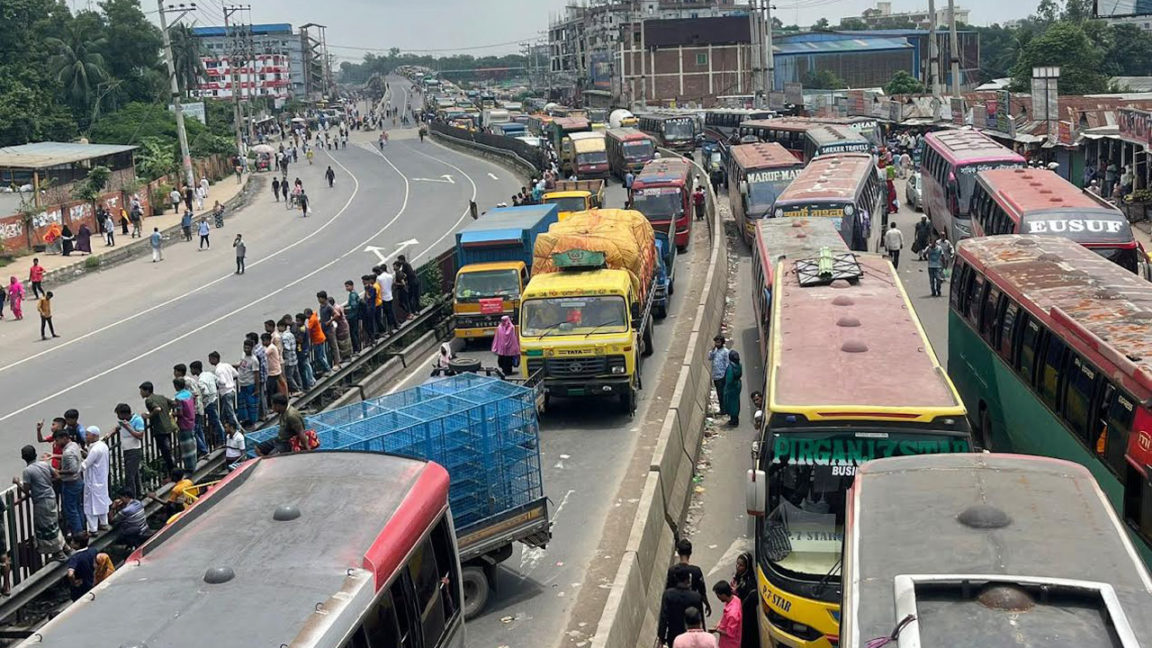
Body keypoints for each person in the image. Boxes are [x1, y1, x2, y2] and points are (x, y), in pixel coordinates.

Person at [14, 445, 68, 560]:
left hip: (41, 501)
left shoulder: (28, 471)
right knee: (53, 523)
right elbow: (57, 476)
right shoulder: (44, 464)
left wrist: (18, 483)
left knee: (47, 526)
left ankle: (58, 552)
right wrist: (47, 482)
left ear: (24, 457)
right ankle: (65, 546)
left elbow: (26, 490)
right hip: (51, 497)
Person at [659, 566, 704, 647]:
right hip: (692, 636)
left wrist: (661, 638)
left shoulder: (668, 595)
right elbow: (700, 617)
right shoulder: (696, 596)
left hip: (673, 635)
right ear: (688, 579)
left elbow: (663, 617)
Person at [665, 539, 711, 616]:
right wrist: (707, 605)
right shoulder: (696, 571)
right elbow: (702, 592)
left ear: (678, 552)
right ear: (690, 552)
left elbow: (668, 591)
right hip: (693, 610)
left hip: (676, 609)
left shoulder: (672, 571)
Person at [139, 381, 176, 474]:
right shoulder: (161, 397)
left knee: (165, 452)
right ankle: (173, 469)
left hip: (160, 429)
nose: (140, 393)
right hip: (168, 426)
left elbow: (157, 409)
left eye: (142, 391)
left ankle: (172, 472)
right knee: (169, 450)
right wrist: (167, 412)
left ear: (147, 391)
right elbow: (173, 403)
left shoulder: (149, 400)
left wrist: (149, 416)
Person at [80, 427, 110, 534]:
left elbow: (85, 464)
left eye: (88, 435)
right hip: (101, 479)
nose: (86, 437)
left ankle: (93, 529)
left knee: (90, 506)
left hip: (93, 480)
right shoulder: (103, 446)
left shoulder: (95, 449)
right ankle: (104, 523)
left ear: (94, 435)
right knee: (102, 501)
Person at [57, 428, 84, 537]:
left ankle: (78, 533)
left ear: (64, 438)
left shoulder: (68, 452)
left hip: (71, 483)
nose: (57, 443)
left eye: (58, 440)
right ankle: (82, 529)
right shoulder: (74, 445)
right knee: (78, 507)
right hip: (78, 481)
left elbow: (72, 469)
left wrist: (58, 472)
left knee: (71, 510)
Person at [114, 403, 145, 498]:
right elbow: (118, 428)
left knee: (129, 475)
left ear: (124, 414)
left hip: (134, 450)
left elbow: (140, 435)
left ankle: (132, 497)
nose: (118, 417)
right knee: (134, 474)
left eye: (119, 415)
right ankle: (139, 493)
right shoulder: (123, 422)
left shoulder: (137, 420)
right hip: (127, 449)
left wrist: (128, 427)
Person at [732, 553, 757, 648]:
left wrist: (736, 593)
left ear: (747, 566)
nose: (738, 567)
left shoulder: (750, 582)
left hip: (747, 616)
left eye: (741, 565)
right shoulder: (739, 577)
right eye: (737, 564)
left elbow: (753, 598)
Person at [173, 378, 198, 471]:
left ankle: (189, 468)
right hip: (191, 421)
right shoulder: (189, 394)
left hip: (183, 424)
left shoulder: (179, 398)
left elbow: (180, 412)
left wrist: (173, 414)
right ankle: (194, 465)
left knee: (186, 447)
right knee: (192, 444)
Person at [235, 340, 260, 426]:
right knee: (243, 404)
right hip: (242, 384)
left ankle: (252, 422)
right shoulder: (244, 355)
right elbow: (241, 364)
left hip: (250, 385)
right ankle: (244, 419)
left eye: (248, 348)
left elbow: (256, 375)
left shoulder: (254, 360)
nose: (246, 349)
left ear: (252, 348)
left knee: (251, 404)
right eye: (245, 347)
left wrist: (257, 389)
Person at [711, 581, 742, 648]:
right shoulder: (735, 599)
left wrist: (716, 630)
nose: (718, 598)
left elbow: (730, 633)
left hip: (730, 644)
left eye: (718, 596)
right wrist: (718, 624)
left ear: (723, 595)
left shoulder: (732, 614)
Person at [65, 534, 96, 600]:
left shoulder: (75, 558)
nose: (71, 543)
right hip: (92, 582)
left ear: (78, 544)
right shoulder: (93, 550)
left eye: (72, 541)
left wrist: (74, 583)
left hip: (81, 588)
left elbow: (70, 574)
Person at [708, 335, 730, 414]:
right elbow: (710, 358)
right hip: (716, 376)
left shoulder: (725, 352)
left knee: (723, 394)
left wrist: (726, 375)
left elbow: (727, 364)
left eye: (718, 342)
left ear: (722, 343)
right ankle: (723, 409)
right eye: (716, 342)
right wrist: (713, 351)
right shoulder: (715, 351)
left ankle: (725, 409)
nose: (717, 344)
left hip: (722, 376)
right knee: (719, 394)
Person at [724, 351, 743, 426]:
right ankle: (736, 418)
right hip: (738, 385)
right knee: (736, 402)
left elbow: (729, 380)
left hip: (731, 388)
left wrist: (726, 389)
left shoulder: (730, 368)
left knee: (731, 403)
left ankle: (733, 419)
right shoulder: (739, 365)